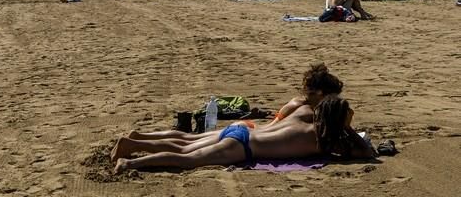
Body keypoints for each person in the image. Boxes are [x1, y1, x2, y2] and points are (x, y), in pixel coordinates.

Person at [112, 95, 374, 173]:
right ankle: (130, 161)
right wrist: (348, 128)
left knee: (186, 140)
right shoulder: (322, 142)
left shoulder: (304, 113)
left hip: (243, 129)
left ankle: (135, 140)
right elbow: (365, 153)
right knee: (185, 158)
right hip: (242, 148)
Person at [126, 63, 344, 143]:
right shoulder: (303, 107)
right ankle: (140, 139)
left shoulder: (301, 101)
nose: (331, 102)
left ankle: (141, 137)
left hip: (250, 129)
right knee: (188, 143)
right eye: (330, 97)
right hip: (252, 132)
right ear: (319, 92)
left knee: (190, 139)